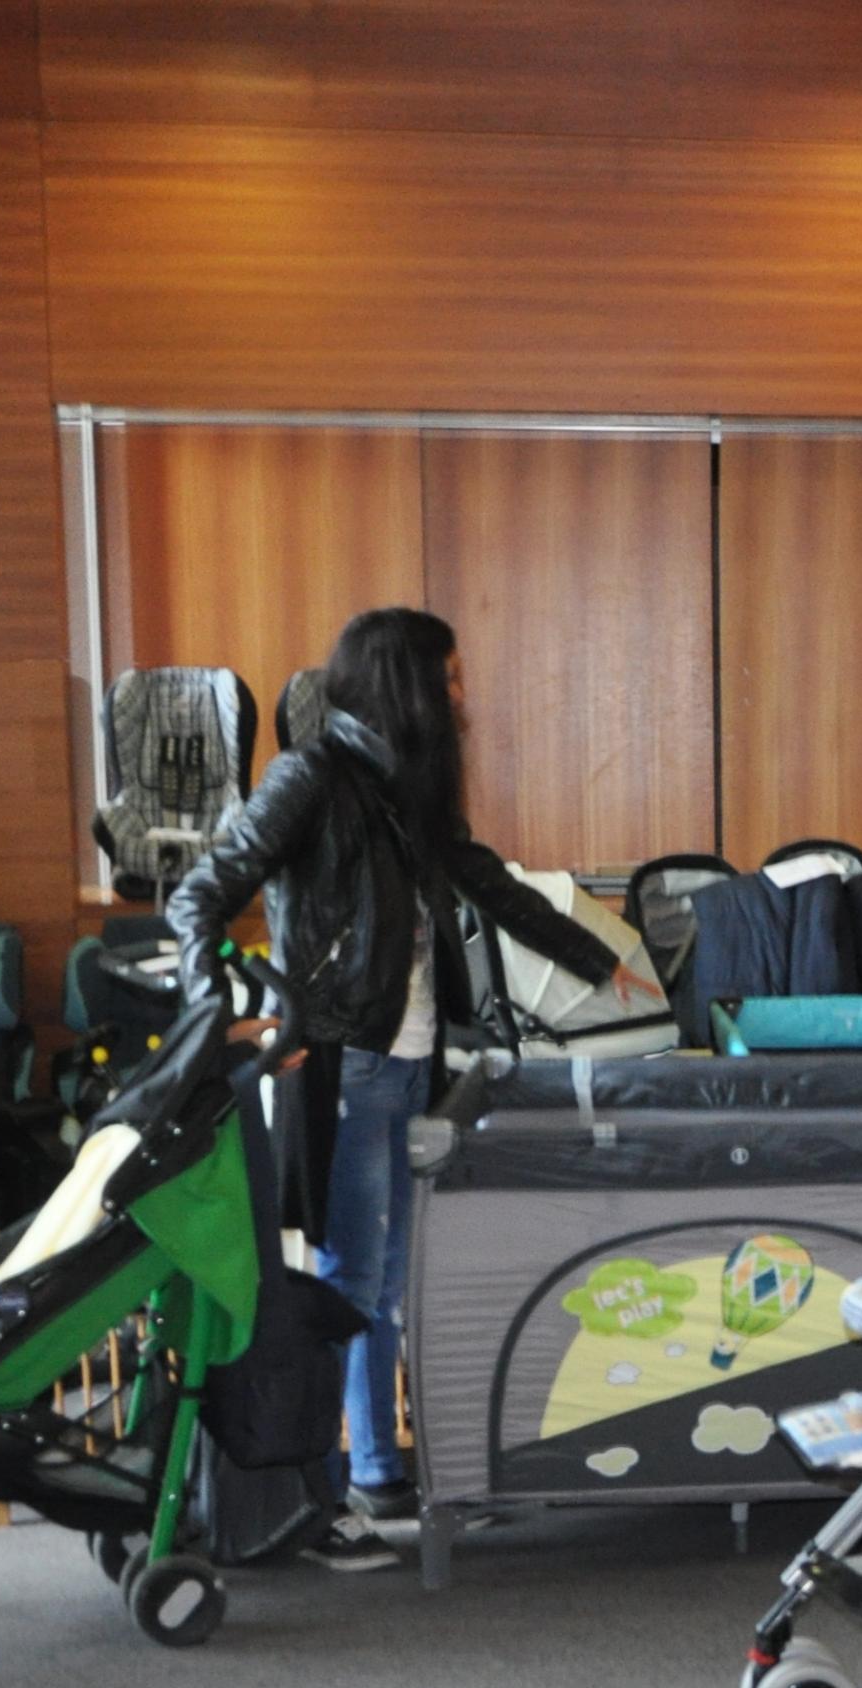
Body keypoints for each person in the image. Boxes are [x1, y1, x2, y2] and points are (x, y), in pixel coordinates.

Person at [163, 605, 620, 1567]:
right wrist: (221, 1013)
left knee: (386, 1284)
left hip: (408, 1062)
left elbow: (489, 884)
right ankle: (326, 1496)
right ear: (404, 685)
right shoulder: (312, 777)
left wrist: (598, 960)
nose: (459, 696)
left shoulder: (399, 788)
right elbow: (201, 892)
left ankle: (378, 1475)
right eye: (447, 678)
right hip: (345, 1063)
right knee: (352, 1281)